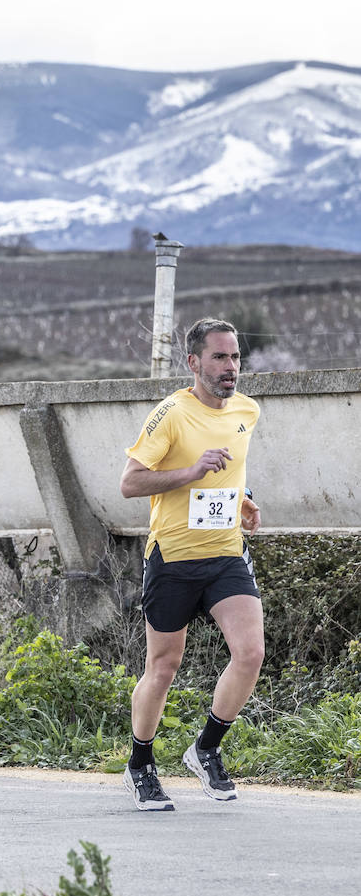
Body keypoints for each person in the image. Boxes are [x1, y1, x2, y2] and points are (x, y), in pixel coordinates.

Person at [120, 317, 263, 811]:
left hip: (225, 553)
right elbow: (130, 483)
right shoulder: (172, 413)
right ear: (194, 362)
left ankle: (205, 750)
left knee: (250, 654)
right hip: (173, 558)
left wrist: (243, 497)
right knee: (163, 667)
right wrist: (192, 472)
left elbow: (235, 468)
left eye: (236, 357)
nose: (231, 367)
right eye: (220, 357)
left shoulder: (248, 410)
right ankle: (140, 765)